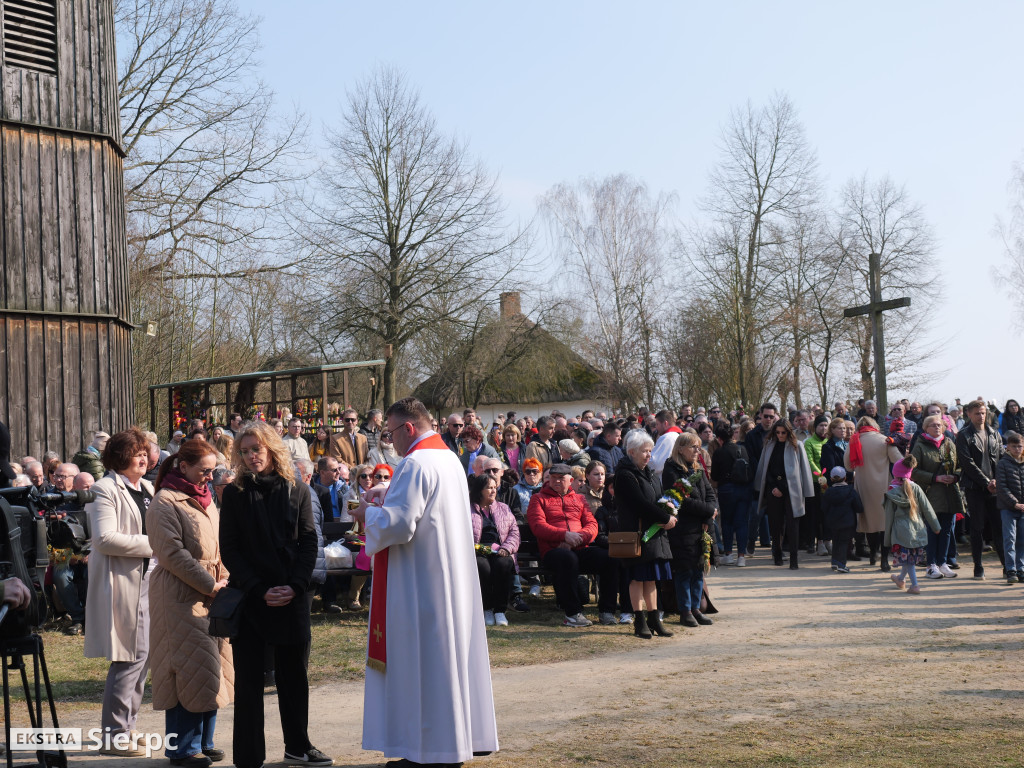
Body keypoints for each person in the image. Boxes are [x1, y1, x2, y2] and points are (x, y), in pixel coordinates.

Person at [351, 397, 498, 766]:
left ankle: (429, 751)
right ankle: (448, 743)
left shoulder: (415, 462)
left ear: (409, 428)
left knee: (424, 666)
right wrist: (388, 493)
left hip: (422, 583)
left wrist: (367, 511)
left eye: (392, 433)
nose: (391, 441)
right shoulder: (447, 456)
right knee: (446, 665)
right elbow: (429, 506)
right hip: (450, 577)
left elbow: (399, 525)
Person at [219, 421, 331, 768]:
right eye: (245, 451)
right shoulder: (235, 493)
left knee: (293, 676)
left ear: (271, 449)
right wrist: (258, 588)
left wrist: (295, 586)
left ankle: (298, 745)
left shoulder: (296, 489)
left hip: (291, 596)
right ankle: (250, 757)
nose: (252, 456)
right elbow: (231, 549)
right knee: (250, 681)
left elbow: (309, 540)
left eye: (257, 449)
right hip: (252, 598)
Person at [147, 438, 232, 768]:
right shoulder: (165, 503)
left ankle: (204, 741)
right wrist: (212, 585)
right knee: (186, 669)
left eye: (213, 471)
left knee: (211, 668)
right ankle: (183, 749)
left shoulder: (206, 498)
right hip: (180, 597)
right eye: (204, 471)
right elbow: (173, 556)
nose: (209, 477)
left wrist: (224, 580)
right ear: (183, 467)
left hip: (211, 594)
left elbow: (219, 544)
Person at [84, 428, 155, 757]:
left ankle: (128, 727)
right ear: (118, 457)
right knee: (128, 658)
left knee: (143, 658)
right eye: (135, 452)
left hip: (150, 582)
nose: (142, 457)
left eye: (145, 452)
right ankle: (113, 734)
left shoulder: (148, 488)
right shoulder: (104, 488)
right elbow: (104, 539)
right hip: (122, 585)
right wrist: (155, 546)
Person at [528, 463, 620, 627]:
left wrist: (578, 538)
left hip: (579, 546)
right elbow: (538, 526)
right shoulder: (538, 499)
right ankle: (573, 613)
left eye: (561, 478)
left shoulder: (579, 499)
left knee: (609, 558)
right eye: (553, 478)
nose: (556, 482)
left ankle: (607, 611)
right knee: (567, 559)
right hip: (553, 551)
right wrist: (564, 536)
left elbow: (592, 525)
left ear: (570, 480)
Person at [613, 431, 676, 638]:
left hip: (654, 534)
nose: (649, 455)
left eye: (650, 451)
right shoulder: (625, 475)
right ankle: (639, 620)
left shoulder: (648, 472)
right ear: (631, 452)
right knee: (637, 579)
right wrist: (665, 519)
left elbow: (655, 499)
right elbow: (639, 504)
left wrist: (668, 506)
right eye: (644, 451)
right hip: (637, 534)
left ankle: (654, 619)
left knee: (652, 579)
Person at [662, 432, 717, 628]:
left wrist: (708, 514)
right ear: (680, 448)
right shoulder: (671, 470)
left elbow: (710, 493)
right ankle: (685, 611)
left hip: (700, 527)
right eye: (693, 447)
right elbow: (681, 501)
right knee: (684, 571)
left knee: (697, 570)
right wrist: (709, 511)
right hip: (682, 528)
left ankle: (696, 608)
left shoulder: (697, 469)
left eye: (698, 447)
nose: (697, 451)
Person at [845, 416, 904, 571]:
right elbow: (898, 460)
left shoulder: (854, 440)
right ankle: (884, 559)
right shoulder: (884, 440)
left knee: (870, 523)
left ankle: (872, 553)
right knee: (884, 523)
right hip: (884, 486)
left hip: (863, 487)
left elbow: (848, 467)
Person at [754, 419, 815, 569]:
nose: (780, 435)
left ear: (788, 432)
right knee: (775, 524)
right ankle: (777, 554)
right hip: (773, 488)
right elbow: (765, 468)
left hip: (792, 490)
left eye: (783, 432)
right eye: (778, 432)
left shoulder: (797, 446)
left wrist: (784, 488)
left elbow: (802, 471)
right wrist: (774, 486)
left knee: (793, 525)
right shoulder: (769, 445)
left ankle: (794, 558)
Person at [956, 400, 1005, 579]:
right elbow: (967, 463)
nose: (981, 416)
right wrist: (986, 482)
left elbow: (1001, 459)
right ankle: (978, 566)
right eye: (977, 413)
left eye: (983, 412)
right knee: (977, 527)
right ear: (968, 414)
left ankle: (1007, 566)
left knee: (999, 527)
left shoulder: (994, 434)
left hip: (994, 487)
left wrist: (996, 481)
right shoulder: (963, 435)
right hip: (974, 487)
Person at [911, 414, 964, 579]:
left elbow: (960, 465)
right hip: (930, 494)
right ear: (926, 428)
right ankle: (931, 565)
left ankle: (943, 563)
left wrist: (955, 476)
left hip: (950, 493)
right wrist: (935, 478)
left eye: (939, 425)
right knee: (933, 530)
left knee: (947, 530)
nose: (937, 427)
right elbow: (913, 471)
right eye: (933, 425)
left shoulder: (949, 443)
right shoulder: (920, 445)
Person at [884, 455, 941, 595]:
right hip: (918, 528)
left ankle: (915, 585)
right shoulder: (917, 488)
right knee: (909, 558)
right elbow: (927, 508)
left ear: (895, 474)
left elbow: (888, 517)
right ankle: (900, 579)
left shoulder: (891, 493)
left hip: (901, 532)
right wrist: (936, 527)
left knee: (908, 561)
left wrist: (887, 539)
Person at [468, 474, 519, 627]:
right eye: (488, 488)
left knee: (503, 565)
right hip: (477, 551)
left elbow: (514, 532)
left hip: (501, 550)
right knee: (482, 567)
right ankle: (487, 608)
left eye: (494, 487)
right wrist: (473, 548)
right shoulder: (467, 509)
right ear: (479, 490)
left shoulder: (503, 508)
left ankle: (500, 610)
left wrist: (506, 548)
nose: (493, 491)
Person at [710, 422, 753, 567]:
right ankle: (741, 556)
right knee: (742, 522)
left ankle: (728, 554)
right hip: (744, 488)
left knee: (727, 522)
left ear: (719, 438)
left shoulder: (719, 452)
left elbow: (714, 475)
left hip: (726, 489)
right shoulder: (742, 449)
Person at [821, 466, 863, 573]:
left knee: (836, 541)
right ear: (845, 478)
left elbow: (823, 508)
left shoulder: (828, 492)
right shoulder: (851, 491)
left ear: (831, 479)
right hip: (847, 522)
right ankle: (841, 563)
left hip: (832, 522)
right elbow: (859, 507)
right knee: (844, 542)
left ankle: (834, 561)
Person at [996, 431, 1024, 584]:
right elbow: (1002, 487)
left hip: (1023, 508)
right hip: (1008, 508)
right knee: (1009, 539)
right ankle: (1010, 569)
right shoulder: (1003, 463)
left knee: (1022, 540)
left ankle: (1021, 568)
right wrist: (1015, 503)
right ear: (1008, 448)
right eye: (1014, 446)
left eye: (1020, 446)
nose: (1017, 449)